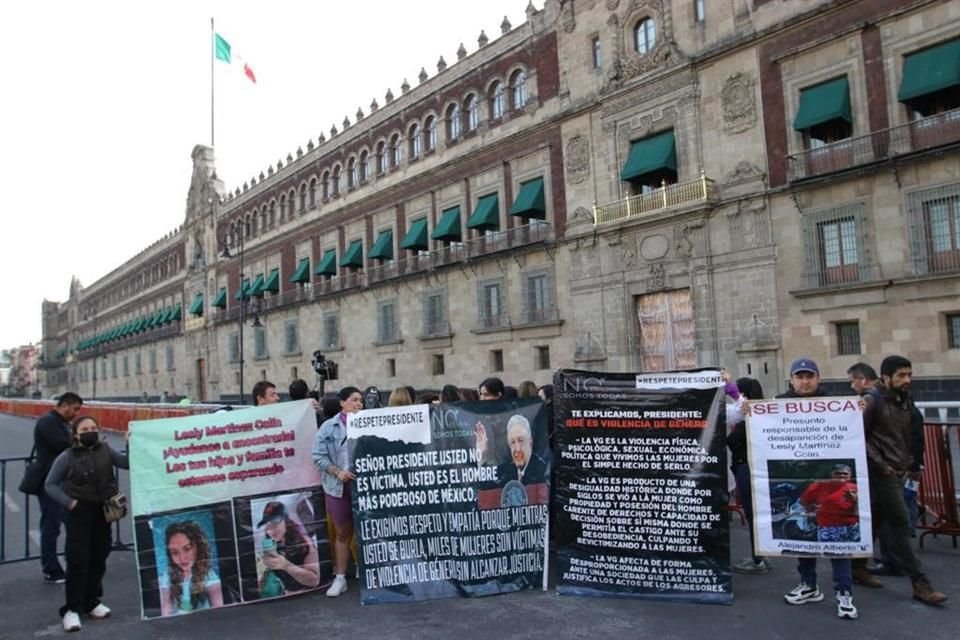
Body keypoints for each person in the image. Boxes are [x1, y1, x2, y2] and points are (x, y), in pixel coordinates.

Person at [861, 355, 947, 605]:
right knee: (900, 523)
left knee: (875, 520)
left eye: (909, 374)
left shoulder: (904, 400)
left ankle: (855, 566)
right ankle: (920, 583)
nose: (907, 380)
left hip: (899, 471)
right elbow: (859, 436)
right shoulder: (871, 401)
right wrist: (883, 465)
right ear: (885, 377)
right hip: (882, 473)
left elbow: (906, 433)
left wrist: (912, 463)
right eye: (901, 375)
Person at [777, 358, 857, 620]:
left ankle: (844, 592)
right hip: (801, 482)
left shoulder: (838, 404)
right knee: (803, 538)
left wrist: (861, 410)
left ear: (818, 378)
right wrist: (746, 413)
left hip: (829, 484)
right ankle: (809, 585)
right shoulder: (778, 404)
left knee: (838, 538)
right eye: (799, 376)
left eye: (809, 376)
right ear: (791, 380)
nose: (804, 381)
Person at [44, 416, 129, 632]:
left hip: (104, 511)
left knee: (99, 556)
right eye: (85, 428)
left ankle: (92, 601)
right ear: (76, 434)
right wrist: (70, 503)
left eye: (93, 428)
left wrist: (131, 444)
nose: (90, 431)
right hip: (79, 513)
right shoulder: (67, 457)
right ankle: (72, 609)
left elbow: (126, 463)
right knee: (78, 561)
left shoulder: (106, 450)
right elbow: (50, 484)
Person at [312, 386, 363, 597]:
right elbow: (318, 457)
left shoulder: (370, 424)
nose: (358, 404)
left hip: (364, 487)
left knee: (367, 530)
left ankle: (368, 571)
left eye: (360, 400)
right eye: (354, 400)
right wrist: (337, 472)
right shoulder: (328, 427)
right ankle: (340, 577)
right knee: (343, 532)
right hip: (338, 487)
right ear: (342, 403)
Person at [32, 392, 83, 584]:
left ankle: (73, 563)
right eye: (75, 409)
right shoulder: (48, 422)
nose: (76, 413)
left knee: (71, 523)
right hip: (50, 482)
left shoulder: (60, 422)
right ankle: (50, 568)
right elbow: (64, 445)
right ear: (64, 405)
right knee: (51, 526)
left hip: (62, 482)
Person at [726, 377, 769, 574]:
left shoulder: (752, 417)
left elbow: (733, 440)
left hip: (746, 467)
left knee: (753, 514)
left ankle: (758, 558)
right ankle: (759, 555)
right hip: (747, 467)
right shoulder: (756, 414)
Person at [159, 521, 224, 616]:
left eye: (187, 549)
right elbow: (165, 614)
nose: (182, 558)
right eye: (175, 552)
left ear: (198, 547)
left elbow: (220, 613)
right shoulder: (167, 576)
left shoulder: (209, 576)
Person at [256, 501, 320, 594]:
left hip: (309, 594)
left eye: (275, 523)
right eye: (268, 525)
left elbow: (314, 581)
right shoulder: (270, 546)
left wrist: (286, 565)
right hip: (286, 595)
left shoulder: (304, 542)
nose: (271, 529)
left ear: (286, 521)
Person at [476, 414, 548, 488]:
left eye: (520, 441)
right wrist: (482, 458)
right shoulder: (505, 472)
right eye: (513, 442)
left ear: (530, 443)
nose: (517, 448)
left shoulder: (543, 470)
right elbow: (489, 491)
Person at [800, 464, 861, 542]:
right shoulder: (818, 486)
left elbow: (865, 509)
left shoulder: (856, 487)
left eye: (845, 474)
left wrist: (855, 500)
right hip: (828, 528)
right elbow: (803, 501)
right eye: (838, 473)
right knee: (829, 553)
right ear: (832, 474)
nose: (842, 475)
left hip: (852, 527)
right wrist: (810, 509)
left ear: (850, 476)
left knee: (852, 553)